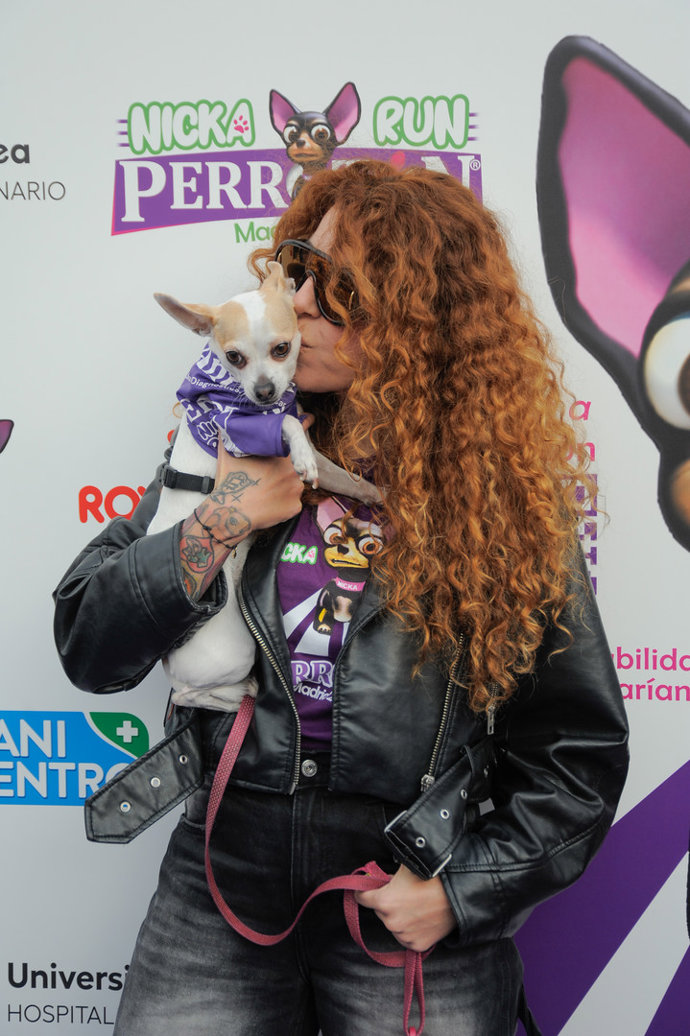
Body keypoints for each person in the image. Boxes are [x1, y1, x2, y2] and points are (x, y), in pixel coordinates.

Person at [54, 160, 629, 1036]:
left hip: (407, 878)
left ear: (416, 321)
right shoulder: (235, 439)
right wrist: (222, 518)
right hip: (223, 869)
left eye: (340, 290)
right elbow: (90, 644)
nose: (300, 302)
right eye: (301, 267)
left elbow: (575, 750)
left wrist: (463, 890)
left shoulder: (499, 498)